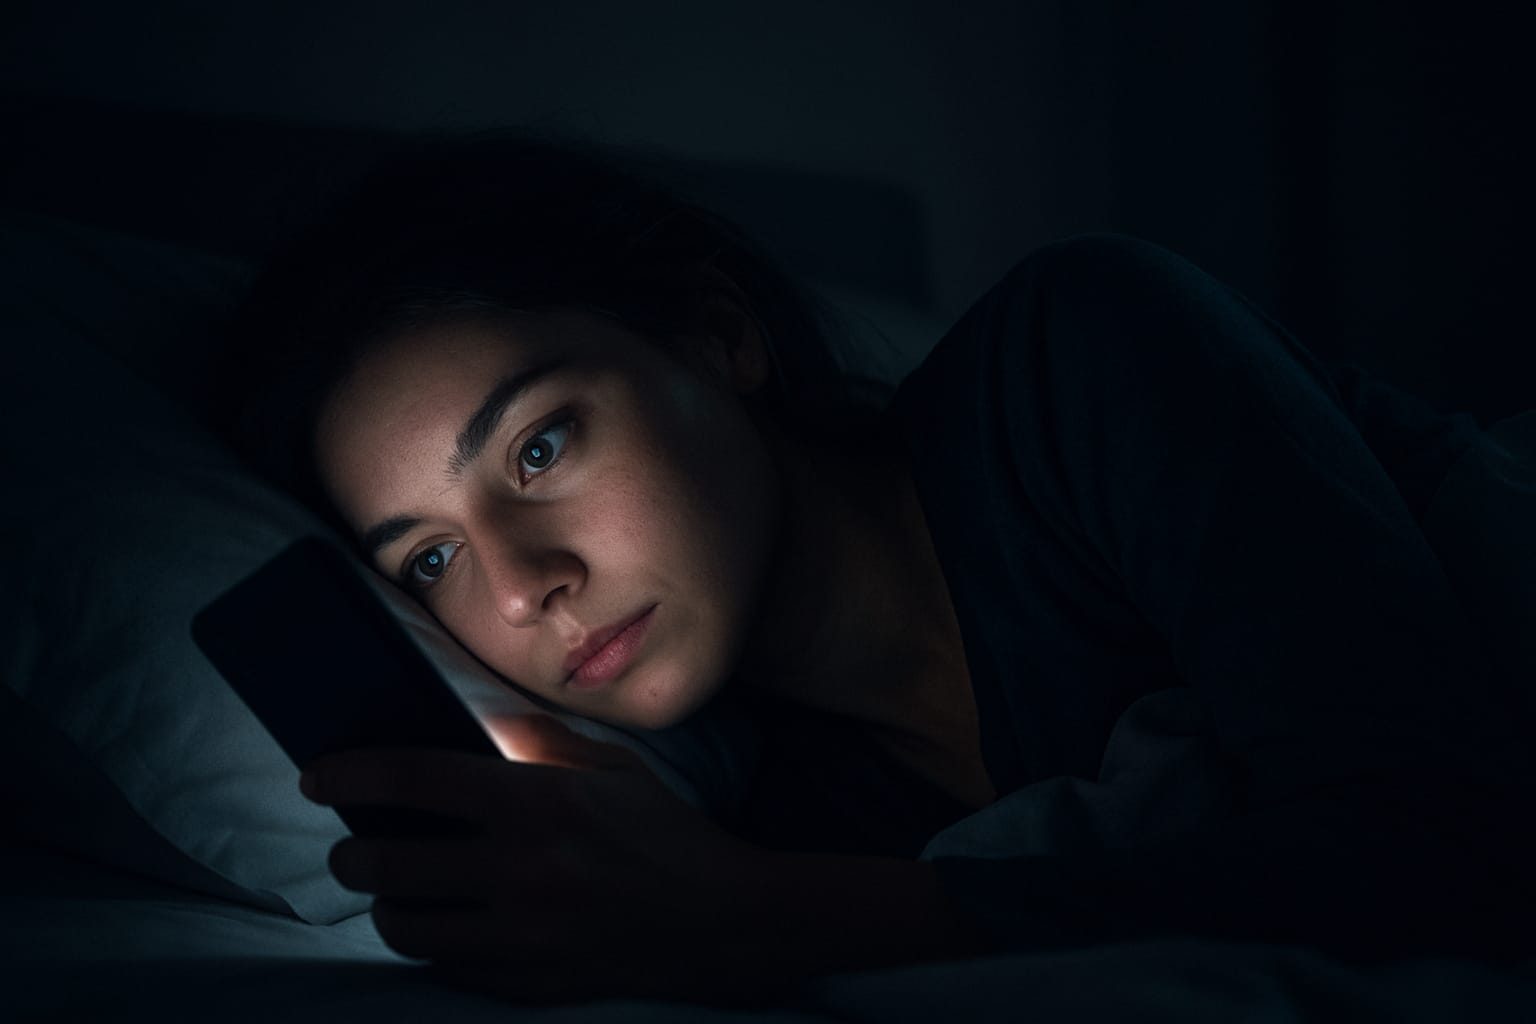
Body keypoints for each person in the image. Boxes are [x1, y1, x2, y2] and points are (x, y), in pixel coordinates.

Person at [223, 133, 1536, 1006]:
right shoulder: (794, 809)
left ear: (714, 336)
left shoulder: (1075, 358)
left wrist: (756, 914)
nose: (522, 590)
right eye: (433, 557)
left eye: (542, 445)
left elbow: (1447, 852)